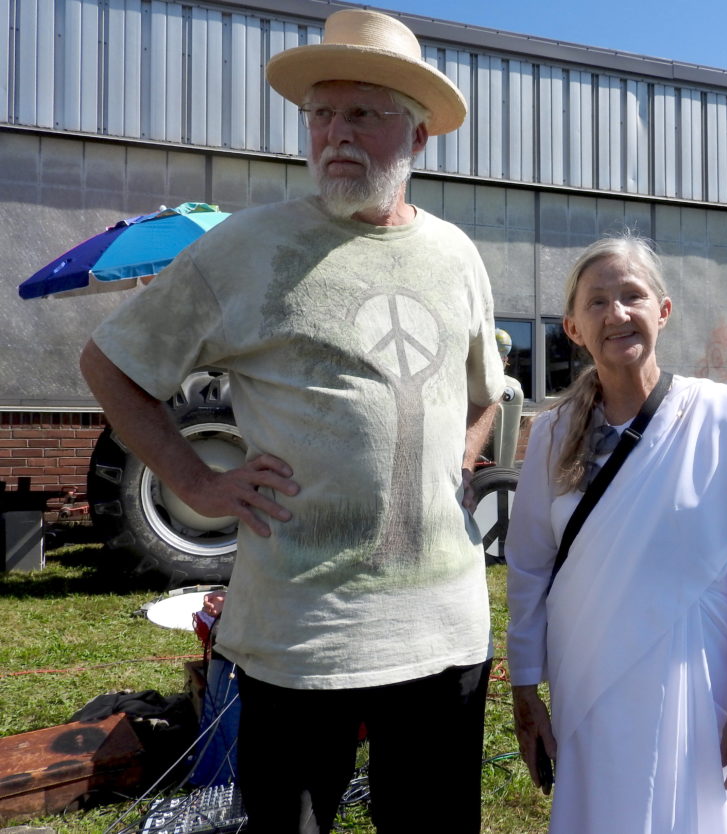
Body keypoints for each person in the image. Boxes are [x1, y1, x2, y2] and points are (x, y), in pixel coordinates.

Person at [79, 9, 506, 833]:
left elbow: (489, 387)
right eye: (321, 115)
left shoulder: (456, 254)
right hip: (301, 636)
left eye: (362, 115)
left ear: (416, 136)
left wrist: (459, 453)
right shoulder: (247, 249)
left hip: (443, 630)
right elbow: (112, 365)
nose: (335, 134)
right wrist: (198, 478)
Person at [505, 236, 727, 833]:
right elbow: (529, 565)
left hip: (696, 678)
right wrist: (525, 684)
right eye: (598, 302)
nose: (617, 314)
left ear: (663, 311)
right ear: (573, 328)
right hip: (591, 681)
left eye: (632, 296)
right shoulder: (553, 435)